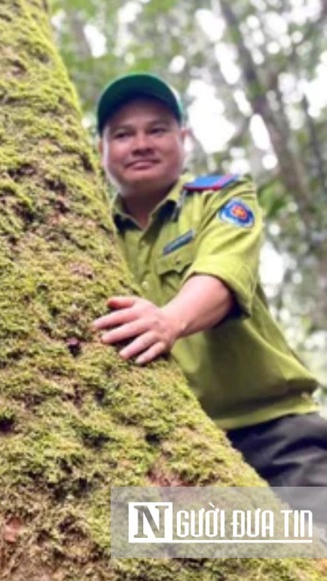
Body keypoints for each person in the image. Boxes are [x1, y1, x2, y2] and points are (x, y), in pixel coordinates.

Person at [91, 72, 327, 495]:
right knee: (152, 546)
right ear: (101, 150)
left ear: (184, 138)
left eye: (157, 129)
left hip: (275, 433)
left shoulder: (222, 197)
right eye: (123, 134)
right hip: (171, 450)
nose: (141, 143)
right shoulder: (91, 233)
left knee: (315, 550)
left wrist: (169, 321)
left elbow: (223, 273)